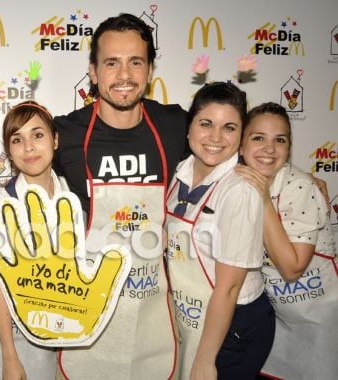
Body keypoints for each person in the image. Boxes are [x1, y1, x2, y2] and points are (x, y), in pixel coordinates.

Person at [54, 13, 186, 378]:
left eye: (135, 62)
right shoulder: (64, 133)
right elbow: (20, 182)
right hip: (88, 309)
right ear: (94, 72)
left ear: (150, 71)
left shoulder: (177, 124)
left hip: (154, 310)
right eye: (111, 63)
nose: (124, 75)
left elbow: (231, 148)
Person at [165, 82, 275, 380]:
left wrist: (204, 361)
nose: (215, 137)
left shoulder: (240, 190)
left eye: (229, 127)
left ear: (240, 137)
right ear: (189, 129)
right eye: (206, 124)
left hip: (233, 323)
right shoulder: (180, 173)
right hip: (194, 311)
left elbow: (228, 288)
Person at [236, 102, 338, 380]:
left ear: (288, 148)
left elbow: (293, 268)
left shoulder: (300, 186)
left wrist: (264, 198)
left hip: (321, 317)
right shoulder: (237, 181)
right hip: (277, 317)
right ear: (240, 146)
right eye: (258, 137)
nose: (269, 148)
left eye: (279, 140)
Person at [0, 101, 64, 379]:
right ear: (9, 151)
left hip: (71, 342)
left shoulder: (76, 200)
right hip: (16, 340)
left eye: (38, 135)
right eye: (18, 139)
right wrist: (9, 355)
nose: (28, 147)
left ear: (55, 139)